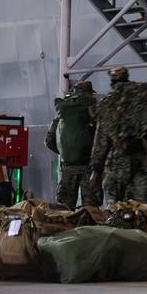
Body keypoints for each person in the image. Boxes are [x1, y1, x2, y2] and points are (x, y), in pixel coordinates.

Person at [88, 66, 147, 222]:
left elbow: (101, 141)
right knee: (145, 210)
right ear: (127, 78)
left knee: (114, 210)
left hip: (118, 166)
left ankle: (118, 239)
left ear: (112, 82)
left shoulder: (109, 103)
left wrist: (96, 170)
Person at [44, 81, 103, 210]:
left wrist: (66, 151)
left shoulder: (61, 114)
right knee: (91, 210)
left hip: (67, 168)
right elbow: (101, 140)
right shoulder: (93, 113)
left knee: (63, 210)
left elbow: (48, 140)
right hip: (88, 168)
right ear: (88, 94)